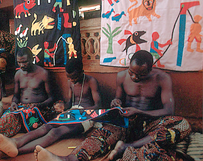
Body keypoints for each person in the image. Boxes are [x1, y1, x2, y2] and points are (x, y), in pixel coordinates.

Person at [34, 50, 191, 161]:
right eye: (131, 72)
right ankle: (68, 158)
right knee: (102, 133)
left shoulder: (162, 78)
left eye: (140, 75)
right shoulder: (122, 76)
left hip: (150, 124)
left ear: (150, 69)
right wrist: (116, 103)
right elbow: (118, 99)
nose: (134, 77)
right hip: (126, 122)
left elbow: (169, 110)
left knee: (183, 124)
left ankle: (127, 146)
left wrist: (138, 111)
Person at [0, 58, 102, 159]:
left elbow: (98, 106)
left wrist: (80, 111)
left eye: (74, 77)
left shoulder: (91, 82)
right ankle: (14, 142)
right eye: (69, 77)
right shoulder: (70, 82)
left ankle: (15, 152)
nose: (71, 80)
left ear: (82, 72)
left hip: (87, 116)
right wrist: (63, 107)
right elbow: (70, 103)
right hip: (72, 112)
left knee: (55, 132)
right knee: (46, 127)